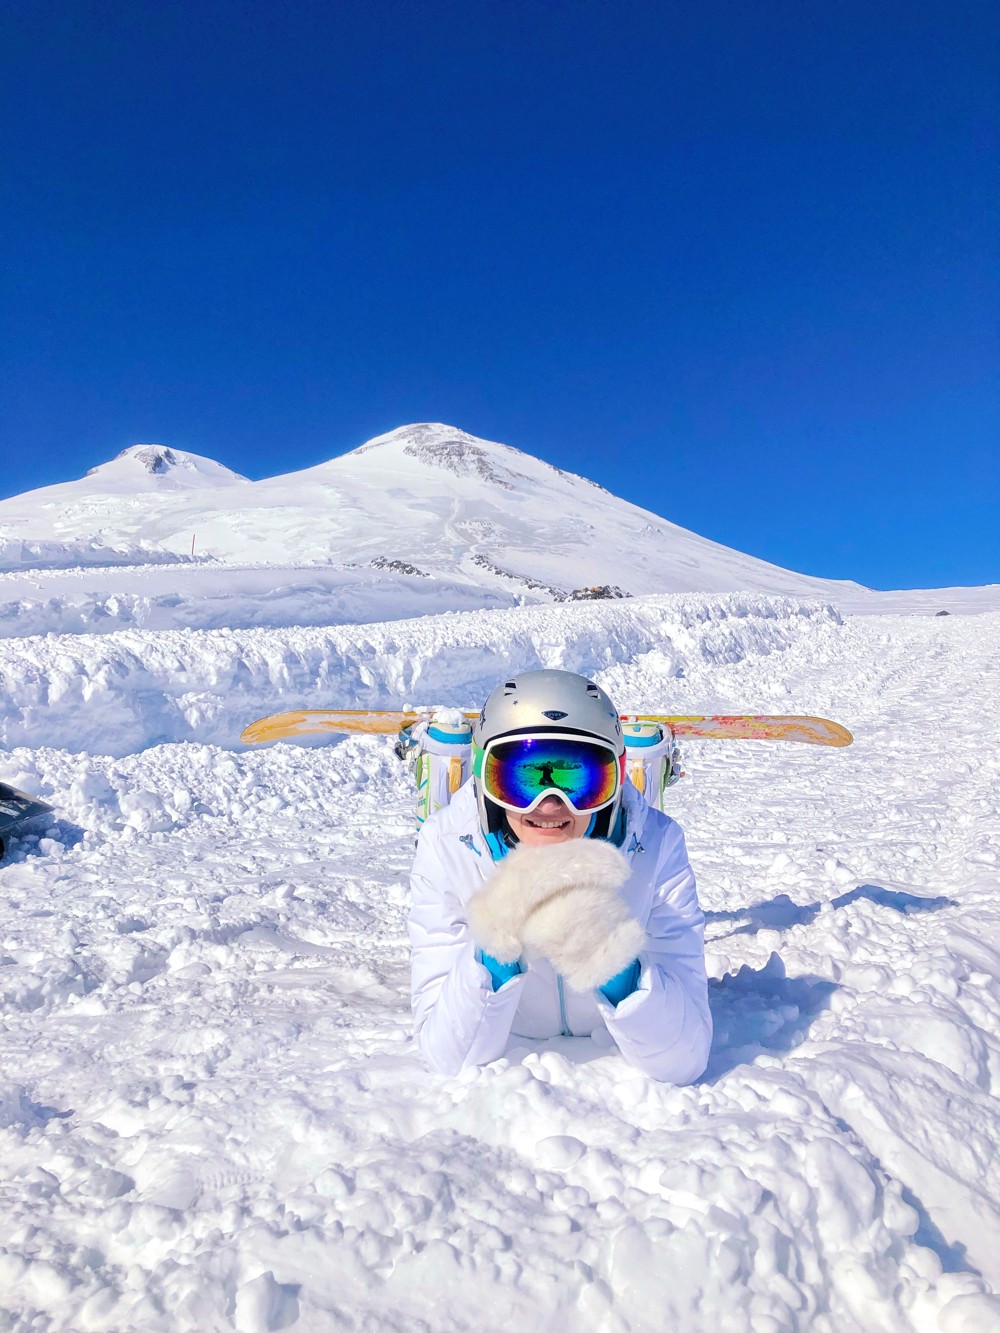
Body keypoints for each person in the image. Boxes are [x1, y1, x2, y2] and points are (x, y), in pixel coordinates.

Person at [408, 669, 712, 1082]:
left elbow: (685, 1058)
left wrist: (613, 963)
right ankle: (446, 765)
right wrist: (495, 949)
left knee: (631, 830)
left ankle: (637, 774)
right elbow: (448, 1059)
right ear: (485, 773)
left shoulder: (658, 845)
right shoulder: (444, 845)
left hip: (630, 839)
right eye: (521, 778)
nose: (550, 805)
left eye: (579, 779)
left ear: (613, 779)